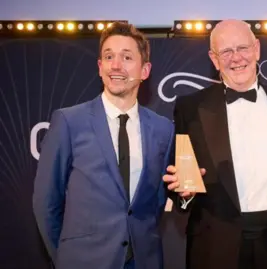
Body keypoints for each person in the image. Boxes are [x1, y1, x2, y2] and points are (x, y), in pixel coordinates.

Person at [163, 19, 267, 269]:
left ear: (257, 49)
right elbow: (180, 180)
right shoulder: (190, 109)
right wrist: (183, 194)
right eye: (226, 51)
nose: (236, 58)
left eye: (243, 48)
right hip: (214, 246)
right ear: (214, 59)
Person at [32, 22, 174, 269]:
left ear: (145, 70)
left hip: (144, 261)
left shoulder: (163, 128)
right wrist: (66, 257)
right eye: (109, 57)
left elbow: (157, 202)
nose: (116, 65)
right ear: (100, 67)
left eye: (127, 57)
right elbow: (46, 203)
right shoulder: (68, 121)